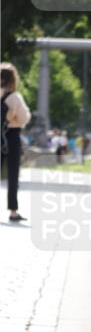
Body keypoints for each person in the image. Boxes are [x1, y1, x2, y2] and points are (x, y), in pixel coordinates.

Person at [1, 63, 31, 222]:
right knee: (13, 174)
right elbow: (24, 118)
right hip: (11, 136)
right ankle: (13, 211)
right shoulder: (14, 97)